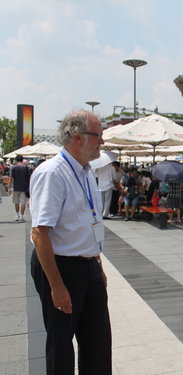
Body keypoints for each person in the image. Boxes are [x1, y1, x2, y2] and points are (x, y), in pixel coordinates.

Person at [29, 110, 111, 375]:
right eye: (98, 136)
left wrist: (97, 265)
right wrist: (56, 286)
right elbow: (40, 234)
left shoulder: (87, 172)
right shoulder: (52, 173)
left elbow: (88, 223)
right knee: (61, 345)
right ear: (77, 137)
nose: (102, 142)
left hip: (88, 265)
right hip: (60, 266)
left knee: (98, 342)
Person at [8, 154, 30, 222]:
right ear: (22, 160)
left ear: (16, 160)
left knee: (16, 202)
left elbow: (11, 178)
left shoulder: (13, 168)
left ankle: (17, 215)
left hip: (15, 187)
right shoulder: (26, 168)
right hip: (24, 188)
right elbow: (28, 178)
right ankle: (22, 217)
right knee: (23, 203)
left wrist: (9, 187)